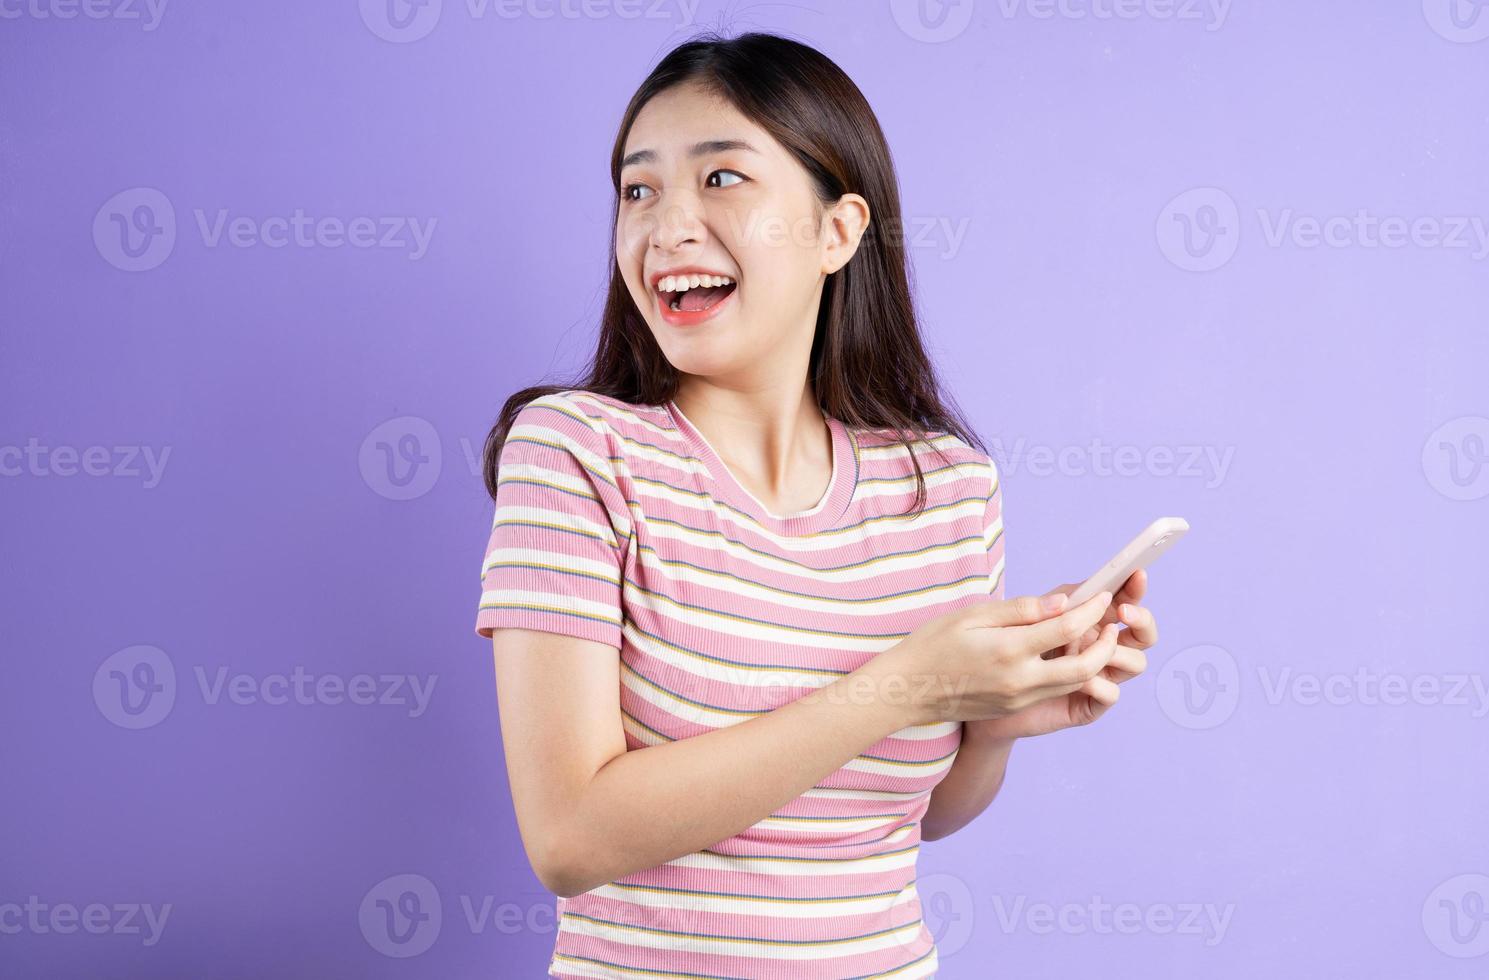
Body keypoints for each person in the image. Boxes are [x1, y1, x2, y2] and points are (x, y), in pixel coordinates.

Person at [474, 30, 1158, 979]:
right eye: (638, 190)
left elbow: (912, 815)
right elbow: (571, 837)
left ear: (838, 231)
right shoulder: (576, 454)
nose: (665, 226)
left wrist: (992, 724)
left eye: (720, 180)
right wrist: (907, 685)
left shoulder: (947, 487)